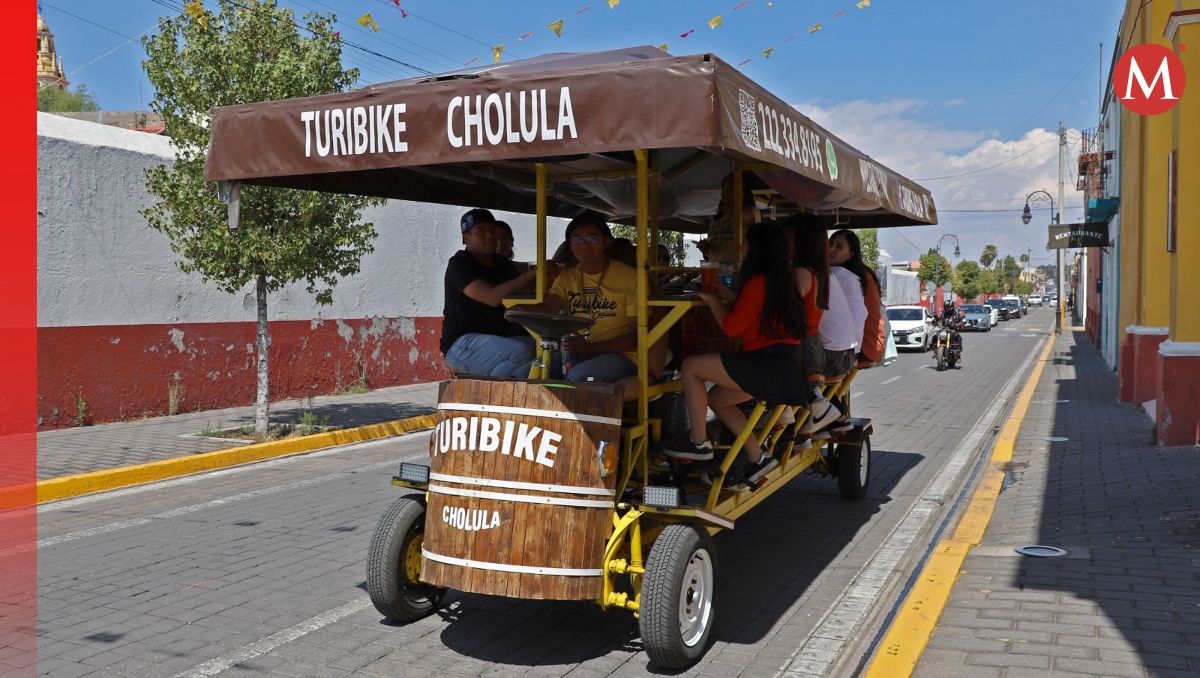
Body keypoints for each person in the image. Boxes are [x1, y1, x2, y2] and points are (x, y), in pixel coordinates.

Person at [663, 222, 811, 491]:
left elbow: (731, 327)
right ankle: (758, 458)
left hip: (763, 364)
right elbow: (755, 308)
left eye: (745, 242)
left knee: (691, 367)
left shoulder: (757, 282)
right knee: (718, 400)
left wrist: (712, 301)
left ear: (757, 248)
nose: (740, 246)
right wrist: (724, 293)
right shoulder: (783, 280)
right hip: (785, 365)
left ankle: (698, 442)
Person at [516, 213, 640, 387]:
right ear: (570, 246)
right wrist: (521, 311)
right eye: (577, 239)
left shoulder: (631, 278)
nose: (584, 245)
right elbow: (548, 307)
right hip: (577, 352)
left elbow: (635, 337)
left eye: (592, 238)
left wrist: (591, 348)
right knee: (522, 376)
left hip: (621, 356)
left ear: (606, 242)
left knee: (577, 380)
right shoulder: (567, 278)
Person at [440, 209, 538, 377]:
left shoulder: (500, 263)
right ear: (466, 238)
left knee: (546, 349)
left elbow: (524, 288)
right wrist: (531, 274)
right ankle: (488, 395)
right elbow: (492, 297)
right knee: (520, 353)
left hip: (496, 340)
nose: (490, 236)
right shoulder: (459, 264)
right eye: (481, 231)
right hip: (461, 343)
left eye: (493, 230)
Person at [788, 217, 845, 434]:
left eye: (791, 235)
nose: (786, 241)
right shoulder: (818, 272)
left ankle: (817, 407)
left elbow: (783, 311)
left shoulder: (801, 273)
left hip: (802, 348)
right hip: (812, 346)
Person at [829, 229, 886, 366]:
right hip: (873, 344)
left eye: (839, 247)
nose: (831, 249)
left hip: (862, 346)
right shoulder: (863, 272)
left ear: (851, 254)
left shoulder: (843, 276)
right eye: (830, 244)